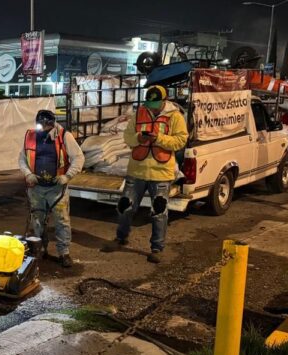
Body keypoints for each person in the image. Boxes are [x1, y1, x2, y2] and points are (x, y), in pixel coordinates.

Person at [102, 85, 188, 264]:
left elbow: (181, 140)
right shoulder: (140, 113)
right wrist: (138, 139)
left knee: (159, 211)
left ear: (165, 101)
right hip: (137, 170)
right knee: (125, 206)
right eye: (150, 103)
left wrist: (158, 139)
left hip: (161, 173)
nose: (152, 106)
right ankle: (121, 237)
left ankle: (157, 247)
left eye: (156, 103)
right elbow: (127, 136)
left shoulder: (175, 116)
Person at [19, 109, 85, 268]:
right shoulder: (30, 136)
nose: (42, 129)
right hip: (36, 188)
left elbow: (78, 157)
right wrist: (28, 174)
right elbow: (22, 159)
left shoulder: (64, 136)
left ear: (52, 124)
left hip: (57, 188)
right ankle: (40, 249)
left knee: (62, 220)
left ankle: (64, 252)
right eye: (40, 126)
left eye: (46, 126)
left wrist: (67, 176)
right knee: (37, 220)